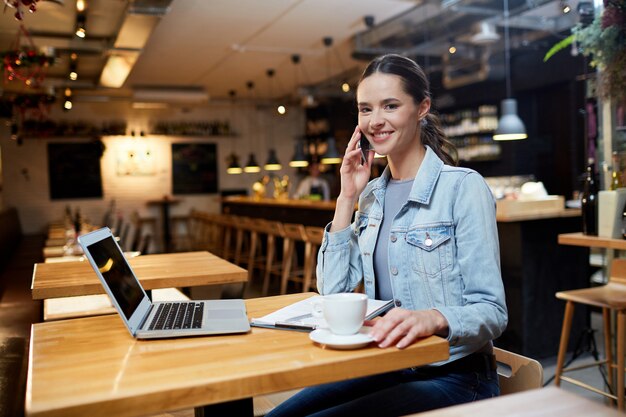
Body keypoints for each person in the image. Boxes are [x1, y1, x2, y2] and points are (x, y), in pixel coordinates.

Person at [267, 54, 508, 417]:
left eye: (390, 106)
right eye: (365, 109)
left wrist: (433, 318)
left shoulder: (462, 188)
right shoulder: (370, 197)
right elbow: (332, 294)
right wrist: (347, 195)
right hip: (387, 364)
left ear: (422, 107)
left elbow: (492, 312)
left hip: (456, 377)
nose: (375, 121)